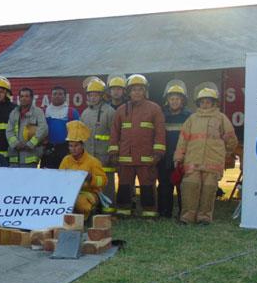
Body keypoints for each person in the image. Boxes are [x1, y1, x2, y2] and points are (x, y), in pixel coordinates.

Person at [174, 84, 237, 225]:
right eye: (202, 102)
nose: (205, 104)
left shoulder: (221, 118)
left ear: (214, 103)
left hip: (212, 164)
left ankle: (204, 218)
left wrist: (225, 154)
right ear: (198, 103)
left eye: (208, 101)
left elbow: (231, 140)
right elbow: (182, 140)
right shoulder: (192, 119)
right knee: (190, 188)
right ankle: (187, 218)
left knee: (208, 191)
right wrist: (178, 157)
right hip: (192, 162)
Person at [108, 74, 166, 218]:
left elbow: (160, 132)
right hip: (125, 158)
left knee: (147, 186)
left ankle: (149, 212)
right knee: (124, 186)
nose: (137, 92)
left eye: (140, 89)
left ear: (145, 91)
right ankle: (123, 210)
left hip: (146, 158)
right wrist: (114, 152)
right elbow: (115, 132)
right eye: (134, 90)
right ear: (129, 92)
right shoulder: (121, 110)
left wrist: (158, 152)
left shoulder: (154, 109)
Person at [80, 78, 116, 213]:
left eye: (96, 95)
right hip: (89, 156)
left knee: (107, 183)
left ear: (102, 96)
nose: (93, 98)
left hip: (104, 155)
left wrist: (112, 153)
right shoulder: (85, 113)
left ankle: (109, 210)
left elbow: (115, 134)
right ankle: (94, 209)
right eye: (90, 95)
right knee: (91, 184)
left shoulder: (109, 111)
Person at [157, 80, 192, 218]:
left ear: (182, 100)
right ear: (167, 100)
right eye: (172, 99)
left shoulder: (189, 117)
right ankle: (164, 213)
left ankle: (184, 213)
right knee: (164, 186)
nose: (174, 101)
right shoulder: (161, 116)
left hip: (183, 157)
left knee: (183, 187)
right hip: (165, 157)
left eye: (177, 99)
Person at [59, 121, 108, 217]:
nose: (73, 149)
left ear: (82, 146)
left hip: (90, 193)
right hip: (70, 192)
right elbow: (59, 178)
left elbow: (104, 181)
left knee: (81, 203)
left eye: (76, 146)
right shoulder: (66, 160)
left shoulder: (93, 161)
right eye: (71, 146)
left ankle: (86, 216)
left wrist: (91, 178)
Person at [6, 87, 48, 168]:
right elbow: (9, 131)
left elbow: (43, 129)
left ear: (32, 98)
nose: (23, 98)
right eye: (21, 96)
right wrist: (16, 144)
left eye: (26, 96)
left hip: (30, 157)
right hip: (14, 157)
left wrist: (30, 144)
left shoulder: (38, 112)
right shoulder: (14, 113)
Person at [43, 85, 79, 169]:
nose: (57, 96)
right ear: (51, 96)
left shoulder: (72, 112)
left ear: (65, 96)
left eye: (60, 94)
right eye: (54, 94)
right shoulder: (44, 112)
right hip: (49, 150)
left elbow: (77, 134)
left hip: (66, 150)